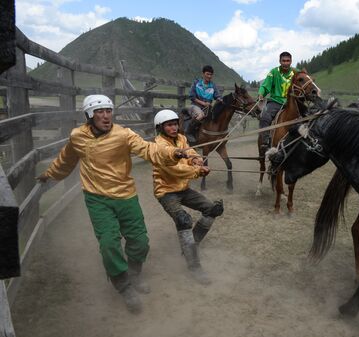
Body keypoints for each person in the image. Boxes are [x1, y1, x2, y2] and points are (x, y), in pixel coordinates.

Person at [36, 95, 187, 314]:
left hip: (126, 195)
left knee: (140, 241)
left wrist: (173, 152)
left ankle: (134, 273)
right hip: (97, 198)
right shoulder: (77, 137)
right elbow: (65, 160)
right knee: (109, 243)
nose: (106, 116)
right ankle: (123, 284)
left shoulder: (124, 135)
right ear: (89, 115)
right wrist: (48, 174)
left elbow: (148, 149)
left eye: (108, 111)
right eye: (100, 111)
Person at [152, 110, 224, 285]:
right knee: (184, 220)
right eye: (169, 125)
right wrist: (198, 171)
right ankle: (194, 267)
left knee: (213, 209)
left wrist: (196, 159)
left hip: (183, 189)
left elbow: (190, 151)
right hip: (166, 192)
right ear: (160, 127)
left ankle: (191, 245)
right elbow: (174, 170)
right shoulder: (159, 146)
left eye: (175, 123)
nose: (173, 127)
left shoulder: (181, 139)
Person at [257, 51, 296, 149]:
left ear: (291, 61)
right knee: (265, 117)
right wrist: (261, 93)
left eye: (288, 61)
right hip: (276, 102)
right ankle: (265, 142)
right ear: (280, 61)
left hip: (293, 102)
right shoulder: (273, 72)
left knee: (308, 115)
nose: (286, 63)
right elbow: (265, 86)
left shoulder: (296, 72)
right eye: (283, 61)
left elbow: (304, 82)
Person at [187, 65, 223, 136]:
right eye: (207, 74)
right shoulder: (196, 83)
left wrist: (220, 99)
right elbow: (192, 96)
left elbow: (217, 96)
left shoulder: (213, 86)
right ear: (203, 74)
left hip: (208, 108)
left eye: (211, 74)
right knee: (201, 115)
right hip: (195, 106)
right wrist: (203, 103)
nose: (209, 76)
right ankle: (189, 132)